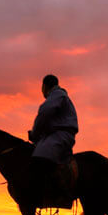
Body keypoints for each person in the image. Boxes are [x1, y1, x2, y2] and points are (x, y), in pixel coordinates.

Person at [27, 74, 78, 207]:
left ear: (44, 86)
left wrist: (34, 133)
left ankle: (62, 193)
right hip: (55, 135)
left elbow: (44, 113)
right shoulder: (59, 97)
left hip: (60, 135)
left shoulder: (57, 95)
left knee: (40, 158)